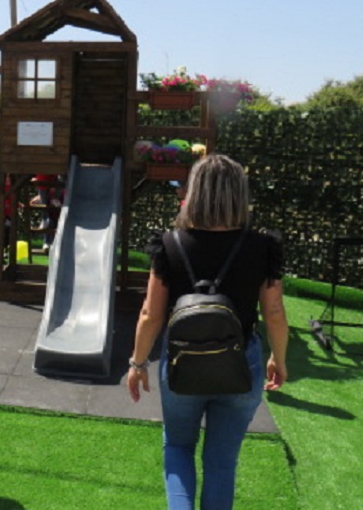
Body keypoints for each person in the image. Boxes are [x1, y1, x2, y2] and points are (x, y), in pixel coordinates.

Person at [126, 154, 289, 510]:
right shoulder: (262, 246)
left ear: (194, 191)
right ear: (239, 194)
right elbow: (273, 312)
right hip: (240, 362)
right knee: (221, 463)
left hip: (183, 361)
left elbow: (151, 314)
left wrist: (137, 363)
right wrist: (278, 357)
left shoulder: (169, 243)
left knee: (179, 447)